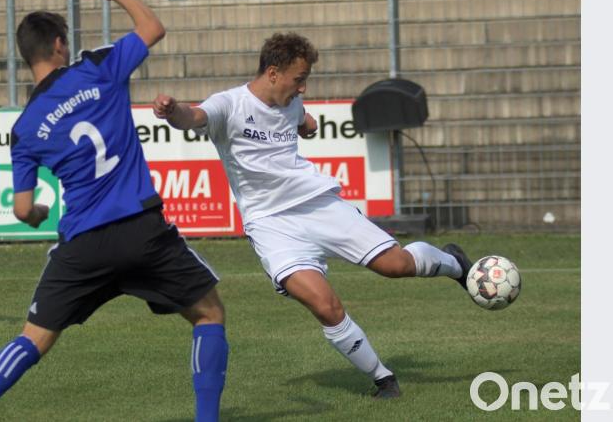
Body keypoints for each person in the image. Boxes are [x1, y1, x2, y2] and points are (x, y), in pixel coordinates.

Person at [152, 32, 473, 399]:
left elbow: (304, 120)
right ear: (273, 73)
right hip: (272, 227)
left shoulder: (289, 103)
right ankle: (384, 379)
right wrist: (170, 110)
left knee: (396, 265)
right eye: (299, 79)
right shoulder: (230, 105)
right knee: (324, 304)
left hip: (319, 205)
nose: (303, 88)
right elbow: (192, 117)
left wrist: (306, 124)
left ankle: (455, 265)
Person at [0, 0, 228, 421]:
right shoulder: (97, 67)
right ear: (58, 44)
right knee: (209, 315)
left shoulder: (25, 127)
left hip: (84, 243)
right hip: (141, 227)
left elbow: (22, 208)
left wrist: (39, 215)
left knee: (34, 337)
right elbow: (153, 29)